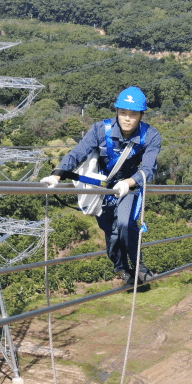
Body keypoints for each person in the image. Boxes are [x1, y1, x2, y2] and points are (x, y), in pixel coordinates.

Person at [42, 87, 162, 286]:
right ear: (117, 111)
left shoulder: (150, 135)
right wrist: (56, 175)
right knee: (110, 231)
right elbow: (77, 153)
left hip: (130, 186)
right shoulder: (100, 130)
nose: (127, 118)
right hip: (103, 188)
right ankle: (123, 269)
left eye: (133, 114)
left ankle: (138, 265)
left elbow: (148, 169)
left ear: (141, 115)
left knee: (125, 223)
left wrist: (128, 183)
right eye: (123, 112)